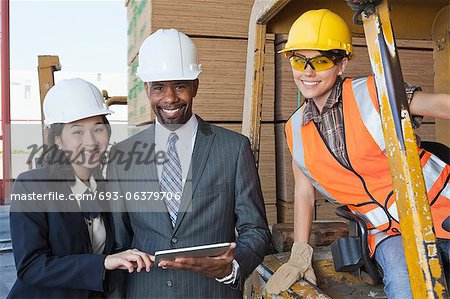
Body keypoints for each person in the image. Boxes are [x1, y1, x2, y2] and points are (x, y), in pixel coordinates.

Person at [264, 9, 450, 299]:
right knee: (405, 287)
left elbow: (441, 105)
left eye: (321, 60)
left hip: (441, 210)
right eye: (299, 60)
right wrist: (300, 252)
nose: (307, 72)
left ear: (342, 64)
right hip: (389, 232)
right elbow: (303, 192)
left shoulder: (375, 93)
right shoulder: (295, 130)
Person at [107, 28, 271, 298]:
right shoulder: (122, 156)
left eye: (180, 85)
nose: (170, 98)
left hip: (212, 291)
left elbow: (255, 229)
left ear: (195, 85)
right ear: (146, 89)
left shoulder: (233, 148)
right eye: (159, 87)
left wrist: (231, 268)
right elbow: (120, 243)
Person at [8, 78, 153, 298]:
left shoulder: (107, 188)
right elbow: (30, 266)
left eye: (98, 129)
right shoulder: (31, 185)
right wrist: (102, 263)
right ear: (58, 139)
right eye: (77, 131)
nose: (91, 141)